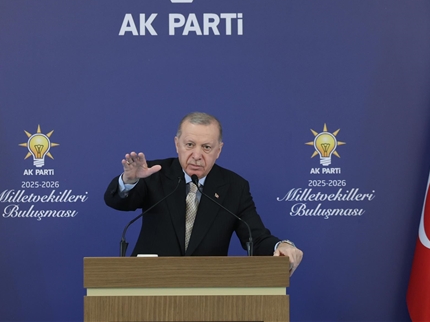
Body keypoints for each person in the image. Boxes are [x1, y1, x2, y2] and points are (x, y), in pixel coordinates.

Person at [104, 112, 304, 274]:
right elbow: (119, 202)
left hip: (207, 290)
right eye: (190, 145)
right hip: (149, 283)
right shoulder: (153, 173)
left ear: (219, 150)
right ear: (177, 144)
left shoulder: (234, 187)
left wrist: (282, 246)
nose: (197, 155)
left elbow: (256, 238)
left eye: (206, 147)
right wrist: (130, 181)